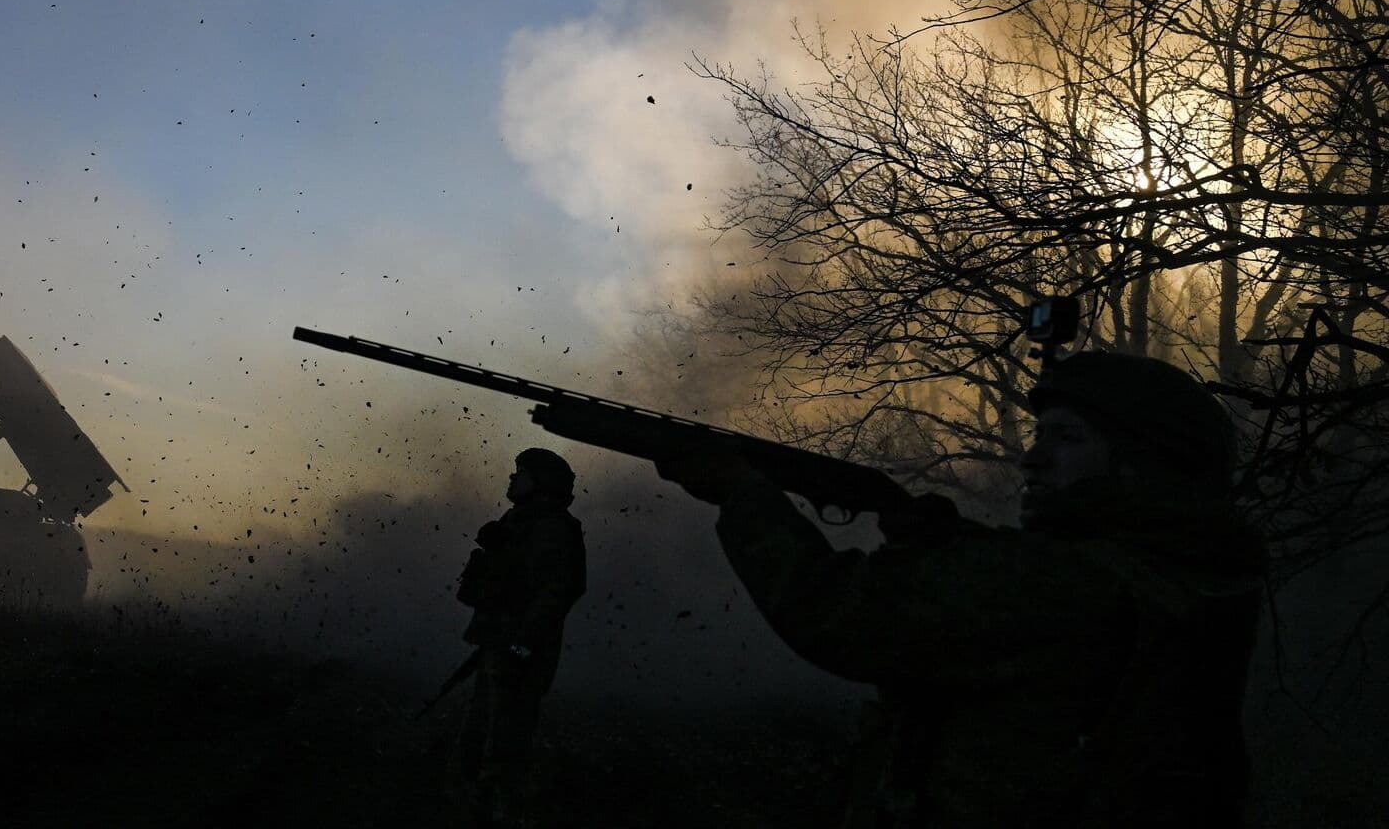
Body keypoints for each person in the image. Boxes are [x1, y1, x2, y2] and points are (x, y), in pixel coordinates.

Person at [656, 352, 1266, 828]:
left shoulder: (1066, 581)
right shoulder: (1187, 569)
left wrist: (744, 495)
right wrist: (953, 547)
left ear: (1144, 461)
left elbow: (837, 615)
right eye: (1040, 435)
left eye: (1068, 438)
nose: (1033, 460)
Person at [453, 447, 587, 827]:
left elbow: (553, 598)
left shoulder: (552, 530)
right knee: (479, 737)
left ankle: (496, 812)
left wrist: (518, 646)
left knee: (504, 747)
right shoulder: (519, 522)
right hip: (500, 645)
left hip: (517, 652)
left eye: (521, 473)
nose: (512, 479)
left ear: (539, 484)